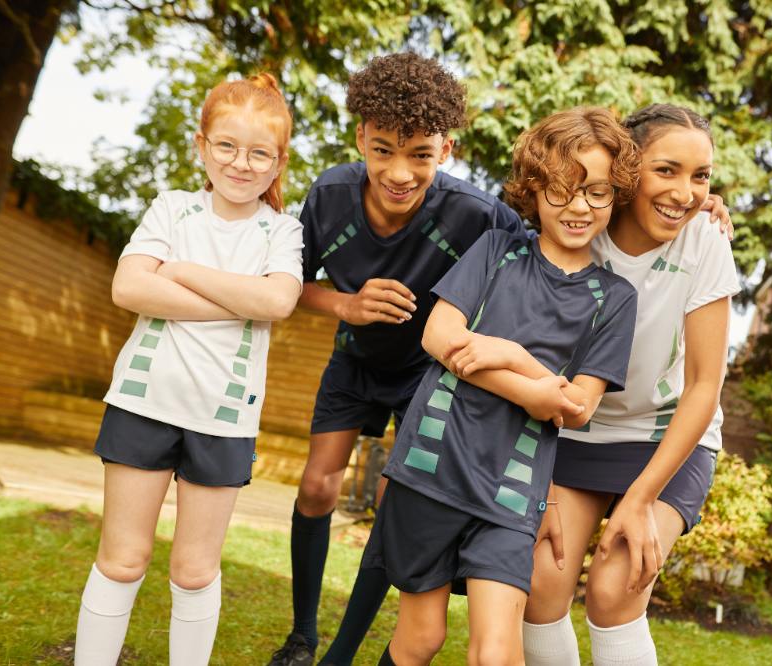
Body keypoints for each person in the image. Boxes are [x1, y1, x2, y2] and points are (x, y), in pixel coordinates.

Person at [269, 53, 525, 666]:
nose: (400, 172)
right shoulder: (328, 195)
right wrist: (345, 305)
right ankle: (303, 636)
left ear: (448, 150)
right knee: (316, 486)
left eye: (421, 155)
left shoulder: (476, 213)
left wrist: (685, 213)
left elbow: (561, 236)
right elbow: (286, 284)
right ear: (361, 137)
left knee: (392, 511)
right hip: (355, 362)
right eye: (382, 150)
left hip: (427, 381)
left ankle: (342, 653)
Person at [363, 106, 641, 666]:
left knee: (495, 651)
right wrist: (533, 390)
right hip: (431, 471)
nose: (579, 206)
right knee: (421, 639)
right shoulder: (495, 252)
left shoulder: (614, 298)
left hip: (512, 497)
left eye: (597, 192)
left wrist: (509, 354)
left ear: (616, 196)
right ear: (534, 190)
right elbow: (439, 336)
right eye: (561, 190)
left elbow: (578, 406)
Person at [73, 73, 303, 666]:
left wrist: (178, 275)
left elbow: (277, 303)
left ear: (279, 163)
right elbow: (128, 287)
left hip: (223, 423)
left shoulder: (283, 230)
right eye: (226, 146)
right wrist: (236, 304)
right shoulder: (171, 209)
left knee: (196, 571)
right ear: (202, 146)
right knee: (121, 560)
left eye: (260, 153)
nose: (241, 164)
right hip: (142, 405)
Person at [519, 104, 740, 666]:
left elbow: (704, 386)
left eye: (701, 176)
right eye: (667, 170)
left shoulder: (705, 241)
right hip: (576, 434)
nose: (686, 192)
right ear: (628, 168)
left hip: (669, 438)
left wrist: (640, 500)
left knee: (616, 589)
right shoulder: (578, 226)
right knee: (542, 579)